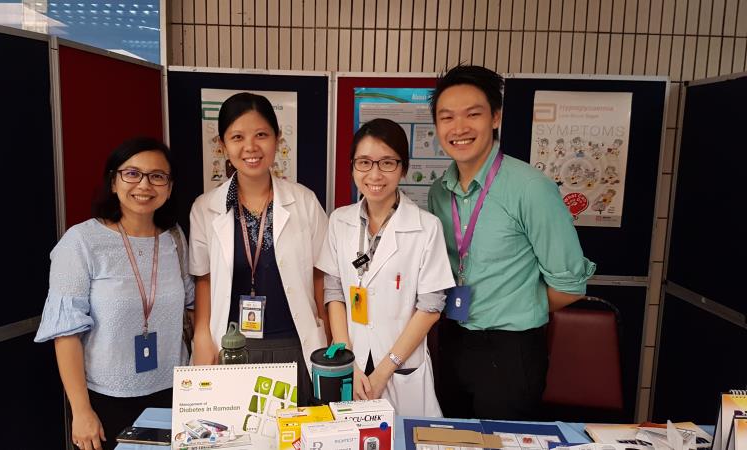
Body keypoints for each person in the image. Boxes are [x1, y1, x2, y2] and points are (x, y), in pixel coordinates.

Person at [427, 65, 596, 420]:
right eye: (447, 117)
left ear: (495, 117)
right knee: (452, 440)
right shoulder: (439, 193)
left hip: (511, 350)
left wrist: (516, 307)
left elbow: (571, 286)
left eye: (473, 114)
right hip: (453, 338)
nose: (458, 128)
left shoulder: (531, 188)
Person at [35, 137, 194, 450]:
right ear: (113, 180)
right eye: (132, 174)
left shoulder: (174, 237)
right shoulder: (81, 241)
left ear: (169, 187)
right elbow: (65, 332)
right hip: (107, 399)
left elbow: (191, 303)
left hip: (176, 391)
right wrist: (81, 411)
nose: (144, 185)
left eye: (157, 176)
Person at [189, 92, 329, 406]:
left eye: (261, 135)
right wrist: (202, 340)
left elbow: (322, 276)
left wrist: (329, 343)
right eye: (237, 137)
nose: (250, 147)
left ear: (277, 140)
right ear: (223, 146)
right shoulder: (205, 208)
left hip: (295, 346)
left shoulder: (304, 201)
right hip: (230, 350)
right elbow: (204, 280)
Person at [317, 118, 454, 416]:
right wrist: (345, 360)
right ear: (353, 166)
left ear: (403, 168)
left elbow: (430, 307)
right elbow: (334, 293)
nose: (375, 174)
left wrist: (383, 371)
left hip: (399, 365)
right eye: (364, 162)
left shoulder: (426, 227)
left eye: (387, 163)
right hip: (352, 363)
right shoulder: (339, 221)